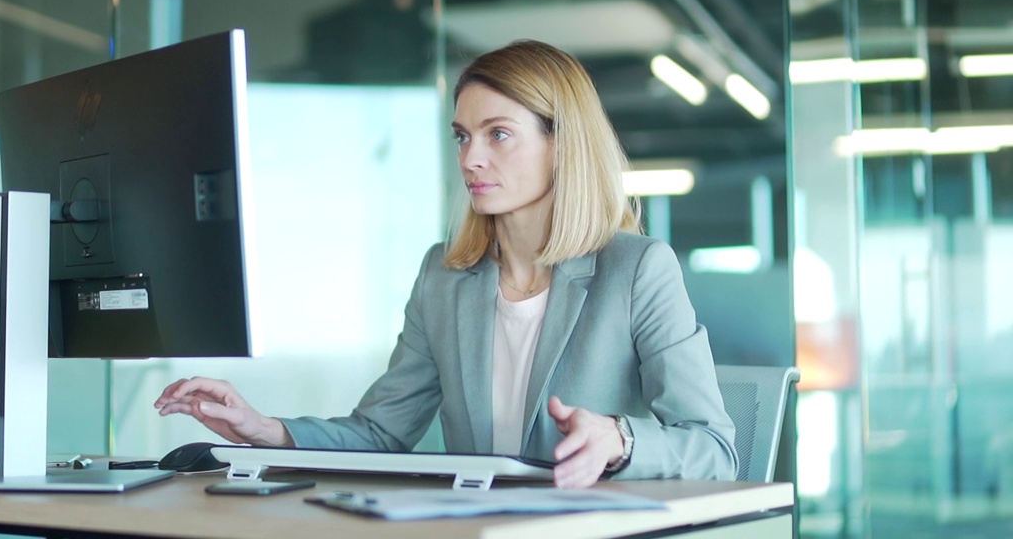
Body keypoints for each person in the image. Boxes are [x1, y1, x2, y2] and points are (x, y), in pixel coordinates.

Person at [156, 39, 737, 488]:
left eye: (498, 134)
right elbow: (382, 434)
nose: (472, 158)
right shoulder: (445, 275)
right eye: (462, 137)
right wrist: (267, 431)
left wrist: (620, 439)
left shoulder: (638, 271)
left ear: (562, 145)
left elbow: (716, 449)